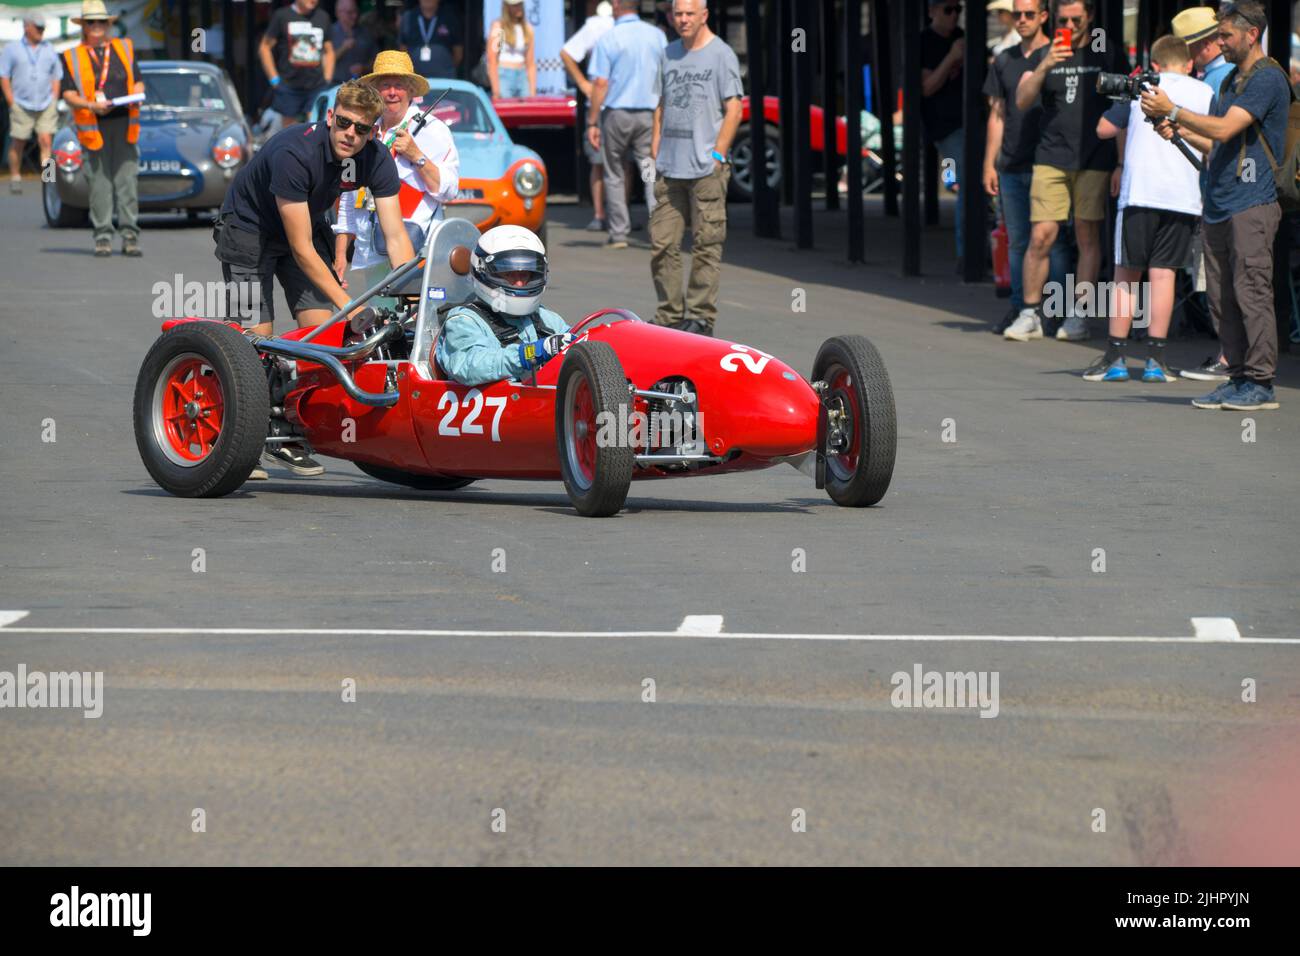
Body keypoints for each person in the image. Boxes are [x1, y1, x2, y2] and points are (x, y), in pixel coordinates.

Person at [215, 80, 415, 475]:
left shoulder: (376, 159)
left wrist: (415, 296)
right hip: (249, 229)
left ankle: (287, 433)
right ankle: (242, 438)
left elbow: (396, 237)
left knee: (321, 335)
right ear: (330, 117)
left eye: (361, 129)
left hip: (303, 226)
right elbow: (303, 250)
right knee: (256, 337)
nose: (350, 135)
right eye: (343, 123)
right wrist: (349, 305)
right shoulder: (295, 151)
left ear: (374, 131)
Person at [1141, 0, 1289, 411]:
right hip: (1221, 201)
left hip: (1253, 201)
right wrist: (1177, 132)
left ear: (1251, 34)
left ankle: (1261, 383)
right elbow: (1216, 144)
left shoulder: (1267, 78)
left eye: (1225, 35)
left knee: (1251, 291)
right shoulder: (1230, 83)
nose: (1218, 43)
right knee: (1221, 297)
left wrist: (1173, 109)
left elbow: (1225, 128)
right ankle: (1238, 376)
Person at [1084, 35, 1212, 383]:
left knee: (1127, 273)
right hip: (1184, 196)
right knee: (1163, 274)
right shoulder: (1205, 92)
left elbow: (1104, 129)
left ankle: (1116, 356)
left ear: (1154, 64)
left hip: (1141, 193)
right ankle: (1156, 360)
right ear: (1189, 64)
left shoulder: (1143, 86)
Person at [1005, 0, 1129, 342]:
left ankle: (1078, 314)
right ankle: (1029, 313)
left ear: (1089, 16)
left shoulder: (1105, 52)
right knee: (1041, 235)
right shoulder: (1045, 52)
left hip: (1094, 157)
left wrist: (1121, 162)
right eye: (1064, 19)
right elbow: (1021, 100)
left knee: (1088, 235)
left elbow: (1123, 109)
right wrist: (1046, 64)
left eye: (1077, 19)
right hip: (1051, 156)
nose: (1071, 26)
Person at [649, 0, 742, 336]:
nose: (683, 20)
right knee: (662, 243)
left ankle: (701, 317)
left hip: (706, 169)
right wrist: (656, 141)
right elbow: (661, 102)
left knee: (706, 244)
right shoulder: (668, 53)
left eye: (690, 14)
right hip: (670, 167)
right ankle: (670, 315)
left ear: (704, 15)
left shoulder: (722, 55)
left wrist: (718, 154)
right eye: (678, 14)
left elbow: (734, 109)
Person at [335, 51, 459, 295]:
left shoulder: (435, 131)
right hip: (370, 252)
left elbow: (449, 191)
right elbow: (348, 195)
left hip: (417, 248)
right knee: (380, 323)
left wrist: (417, 156)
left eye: (399, 85)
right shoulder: (360, 129)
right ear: (375, 92)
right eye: (385, 85)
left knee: (416, 323)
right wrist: (340, 255)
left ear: (411, 91)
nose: (392, 92)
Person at [982, 0, 1070, 332]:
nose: (1021, 20)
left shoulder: (1059, 55)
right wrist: (989, 163)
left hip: (1050, 162)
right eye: (1017, 14)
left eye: (1029, 14)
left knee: (1052, 240)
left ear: (1044, 17)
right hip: (1012, 163)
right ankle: (1022, 309)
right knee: (1018, 240)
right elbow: (998, 114)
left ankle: (1058, 310)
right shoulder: (1004, 59)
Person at [1172, 6, 1234, 382]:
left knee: (1220, 276)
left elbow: (1216, 139)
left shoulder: (1215, 81)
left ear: (1205, 45)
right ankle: (1231, 356)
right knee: (1221, 275)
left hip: (1221, 191)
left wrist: (1174, 117)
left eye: (1190, 49)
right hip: (1222, 189)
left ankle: (1230, 358)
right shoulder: (1218, 77)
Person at [435, 225, 572, 386]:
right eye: (509, 274)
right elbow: (469, 367)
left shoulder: (545, 318)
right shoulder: (464, 320)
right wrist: (529, 354)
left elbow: (578, 346)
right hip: (487, 407)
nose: (520, 283)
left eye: (525, 274)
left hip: (541, 404)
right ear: (482, 270)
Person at [59, 1, 145, 258]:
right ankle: (103, 237)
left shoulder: (125, 48)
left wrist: (136, 95)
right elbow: (68, 94)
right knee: (99, 185)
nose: (96, 27)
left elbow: (138, 82)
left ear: (109, 24)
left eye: (101, 22)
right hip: (93, 127)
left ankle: (130, 236)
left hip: (124, 123)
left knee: (127, 183)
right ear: (83, 26)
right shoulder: (72, 55)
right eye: (90, 22)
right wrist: (90, 105)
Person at [587, 0, 668, 250]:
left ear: (619, 5)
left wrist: (592, 121)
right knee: (649, 172)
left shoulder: (609, 38)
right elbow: (667, 76)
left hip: (617, 114)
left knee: (615, 173)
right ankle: (659, 231)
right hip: (650, 113)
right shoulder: (657, 36)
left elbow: (600, 83)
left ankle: (619, 233)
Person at [561, 1, 616, 231]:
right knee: (601, 162)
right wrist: (584, 84)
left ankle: (614, 216)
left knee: (625, 164)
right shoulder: (597, 25)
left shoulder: (637, 28)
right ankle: (602, 214)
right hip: (605, 103)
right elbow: (567, 53)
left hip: (620, 104)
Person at [921, 1, 966, 266]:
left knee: (981, 181)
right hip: (943, 123)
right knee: (964, 182)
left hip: (972, 120)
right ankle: (966, 252)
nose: (954, 16)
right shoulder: (925, 42)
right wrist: (951, 57)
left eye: (958, 10)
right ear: (932, 12)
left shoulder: (962, 37)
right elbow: (926, 88)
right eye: (948, 10)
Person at [1, 15, 62, 195]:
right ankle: (15, 177)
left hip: (45, 103)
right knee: (18, 141)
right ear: (27, 27)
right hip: (21, 103)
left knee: (46, 141)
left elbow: (56, 75)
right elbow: (3, 75)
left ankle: (49, 180)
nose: (41, 32)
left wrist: (54, 97)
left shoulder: (49, 48)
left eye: (43, 29)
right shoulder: (12, 49)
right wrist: (11, 100)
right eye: (38, 28)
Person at [260, 0, 334, 128]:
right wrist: (274, 79)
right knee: (289, 133)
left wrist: (327, 78)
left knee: (315, 130)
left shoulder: (323, 17)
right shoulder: (282, 15)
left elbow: (329, 51)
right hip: (289, 85)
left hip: (316, 85)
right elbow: (264, 47)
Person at [399, 0, 463, 81]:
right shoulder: (408, 17)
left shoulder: (450, 17)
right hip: (415, 82)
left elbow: (458, 52)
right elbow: (403, 49)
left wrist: (445, 69)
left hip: (445, 80)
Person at [487, 0, 536, 99]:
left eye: (520, 4)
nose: (518, 8)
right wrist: (496, 90)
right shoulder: (500, 27)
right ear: (507, 7)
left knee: (525, 110)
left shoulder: (527, 29)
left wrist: (532, 91)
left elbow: (530, 63)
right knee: (506, 109)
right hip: (504, 75)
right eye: (515, 5)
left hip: (522, 75)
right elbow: (492, 60)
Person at [329, 0, 380, 86]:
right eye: (350, 12)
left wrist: (364, 68)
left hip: (361, 87)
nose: (354, 16)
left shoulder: (365, 33)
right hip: (335, 86)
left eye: (356, 11)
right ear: (338, 13)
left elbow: (377, 60)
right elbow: (322, 63)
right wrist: (343, 48)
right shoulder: (329, 33)